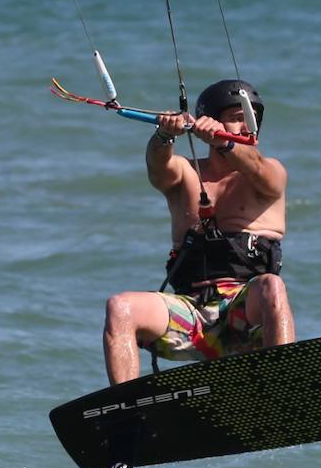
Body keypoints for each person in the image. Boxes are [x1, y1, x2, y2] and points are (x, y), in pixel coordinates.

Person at [102, 79, 294, 384]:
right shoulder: (184, 172)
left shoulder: (269, 172)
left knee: (272, 286)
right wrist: (164, 135)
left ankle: (278, 384)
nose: (246, 126)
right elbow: (157, 166)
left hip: (244, 316)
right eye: (236, 117)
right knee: (120, 306)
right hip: (190, 314)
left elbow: (256, 167)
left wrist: (224, 141)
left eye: (251, 117)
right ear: (210, 121)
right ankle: (126, 407)